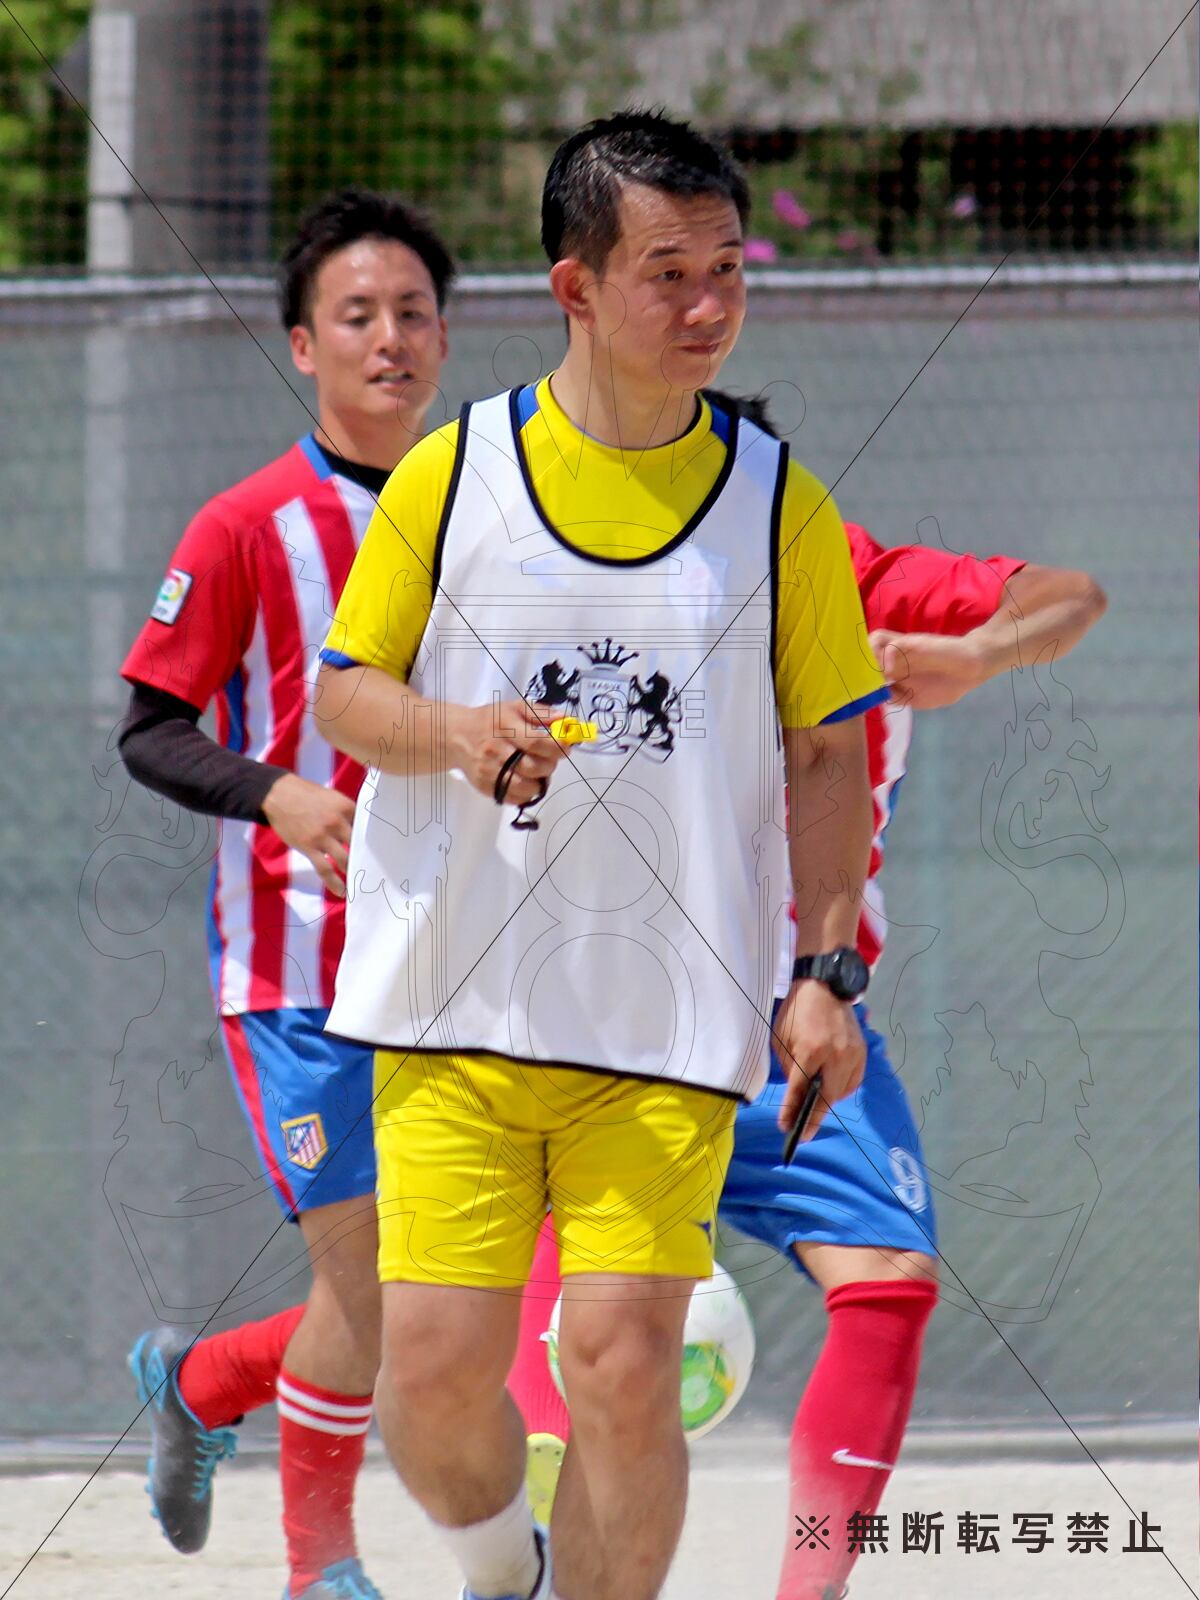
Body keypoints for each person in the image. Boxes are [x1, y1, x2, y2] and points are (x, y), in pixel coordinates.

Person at [312, 110, 887, 1600]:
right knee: (433, 1371)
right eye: (667, 274)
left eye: (727, 270)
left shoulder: (779, 504)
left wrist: (826, 972)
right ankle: (503, 1568)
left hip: (665, 1019)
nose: (707, 304)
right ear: (575, 287)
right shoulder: (454, 475)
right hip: (455, 1006)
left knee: (626, 1362)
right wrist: (455, 733)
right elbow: (345, 695)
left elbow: (829, 754)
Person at [507, 388, 1109, 1600]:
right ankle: (532, 1542)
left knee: (888, 1281)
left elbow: (1072, 595)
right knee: (546, 1306)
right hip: (623, 1017)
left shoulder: (849, 570)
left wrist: (976, 653)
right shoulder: (586, 600)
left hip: (803, 1018)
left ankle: (807, 1588)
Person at [119, 188, 455, 1600]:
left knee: (436, 1301)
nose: (390, 338)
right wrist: (277, 793)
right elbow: (149, 728)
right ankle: (322, 1570)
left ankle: (200, 1381)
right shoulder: (249, 523)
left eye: (414, 312)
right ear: (305, 347)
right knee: (368, 1289)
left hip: (465, 970)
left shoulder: (494, 514)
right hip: (299, 976)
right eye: (357, 315)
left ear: (445, 338)